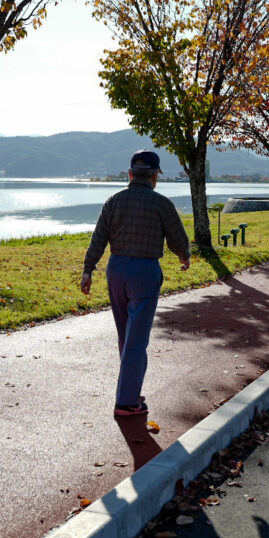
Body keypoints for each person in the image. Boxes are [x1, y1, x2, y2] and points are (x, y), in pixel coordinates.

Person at [80, 150, 191, 417]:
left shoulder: (113, 201)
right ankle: (127, 402)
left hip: (115, 270)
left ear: (130, 174)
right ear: (154, 176)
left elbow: (99, 238)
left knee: (126, 335)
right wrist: (184, 256)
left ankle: (128, 390)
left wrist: (88, 270)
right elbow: (177, 238)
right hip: (144, 270)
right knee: (137, 339)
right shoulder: (161, 204)